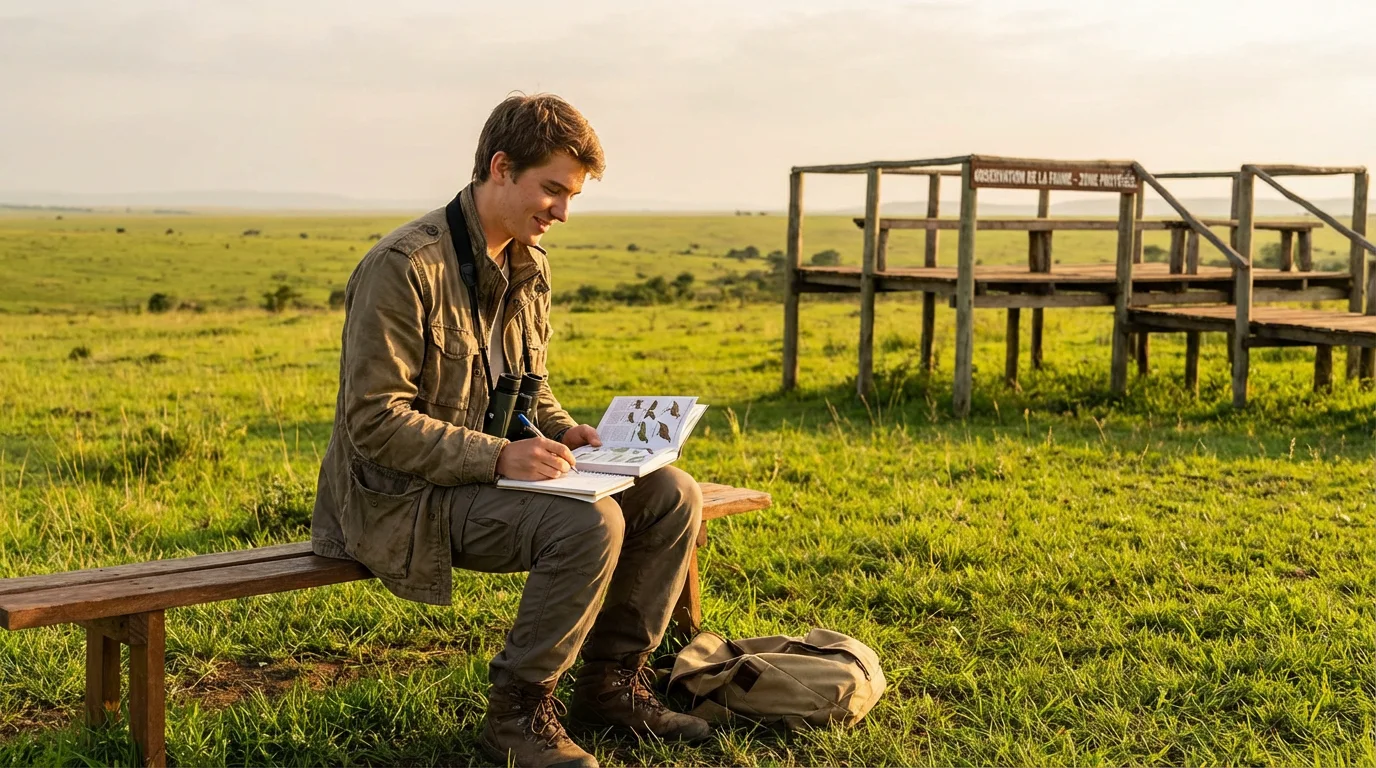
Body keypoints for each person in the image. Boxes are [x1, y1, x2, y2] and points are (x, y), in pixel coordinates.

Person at [310, 93, 710, 768]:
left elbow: (529, 388)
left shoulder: (530, 265)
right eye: (552, 189)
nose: (562, 211)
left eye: (573, 195)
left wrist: (567, 432)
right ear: (500, 167)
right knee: (590, 526)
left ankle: (611, 689)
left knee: (674, 493)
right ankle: (517, 720)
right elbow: (373, 424)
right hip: (400, 499)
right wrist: (502, 457)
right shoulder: (403, 266)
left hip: (486, 480)